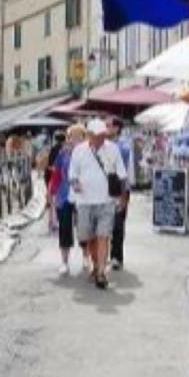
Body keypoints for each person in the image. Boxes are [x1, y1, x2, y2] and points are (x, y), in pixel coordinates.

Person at [68, 118, 127, 289]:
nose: (101, 139)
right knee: (89, 237)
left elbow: (122, 175)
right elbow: (72, 173)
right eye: (97, 136)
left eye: (103, 136)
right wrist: (75, 183)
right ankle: (95, 264)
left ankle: (101, 272)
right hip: (85, 202)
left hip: (106, 201)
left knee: (104, 235)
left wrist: (123, 198)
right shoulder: (79, 151)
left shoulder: (113, 149)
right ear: (89, 135)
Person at [50, 126, 84, 273]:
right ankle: (64, 261)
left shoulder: (88, 153)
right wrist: (51, 193)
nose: (73, 140)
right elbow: (56, 175)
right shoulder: (63, 154)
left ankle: (87, 258)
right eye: (71, 136)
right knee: (64, 228)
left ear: (84, 138)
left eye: (77, 137)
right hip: (64, 195)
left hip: (83, 195)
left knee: (85, 227)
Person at [109, 120, 134, 271]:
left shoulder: (124, 147)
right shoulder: (101, 145)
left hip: (120, 189)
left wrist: (126, 193)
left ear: (117, 128)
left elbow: (129, 173)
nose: (106, 128)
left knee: (118, 224)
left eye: (109, 125)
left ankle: (116, 256)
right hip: (104, 190)